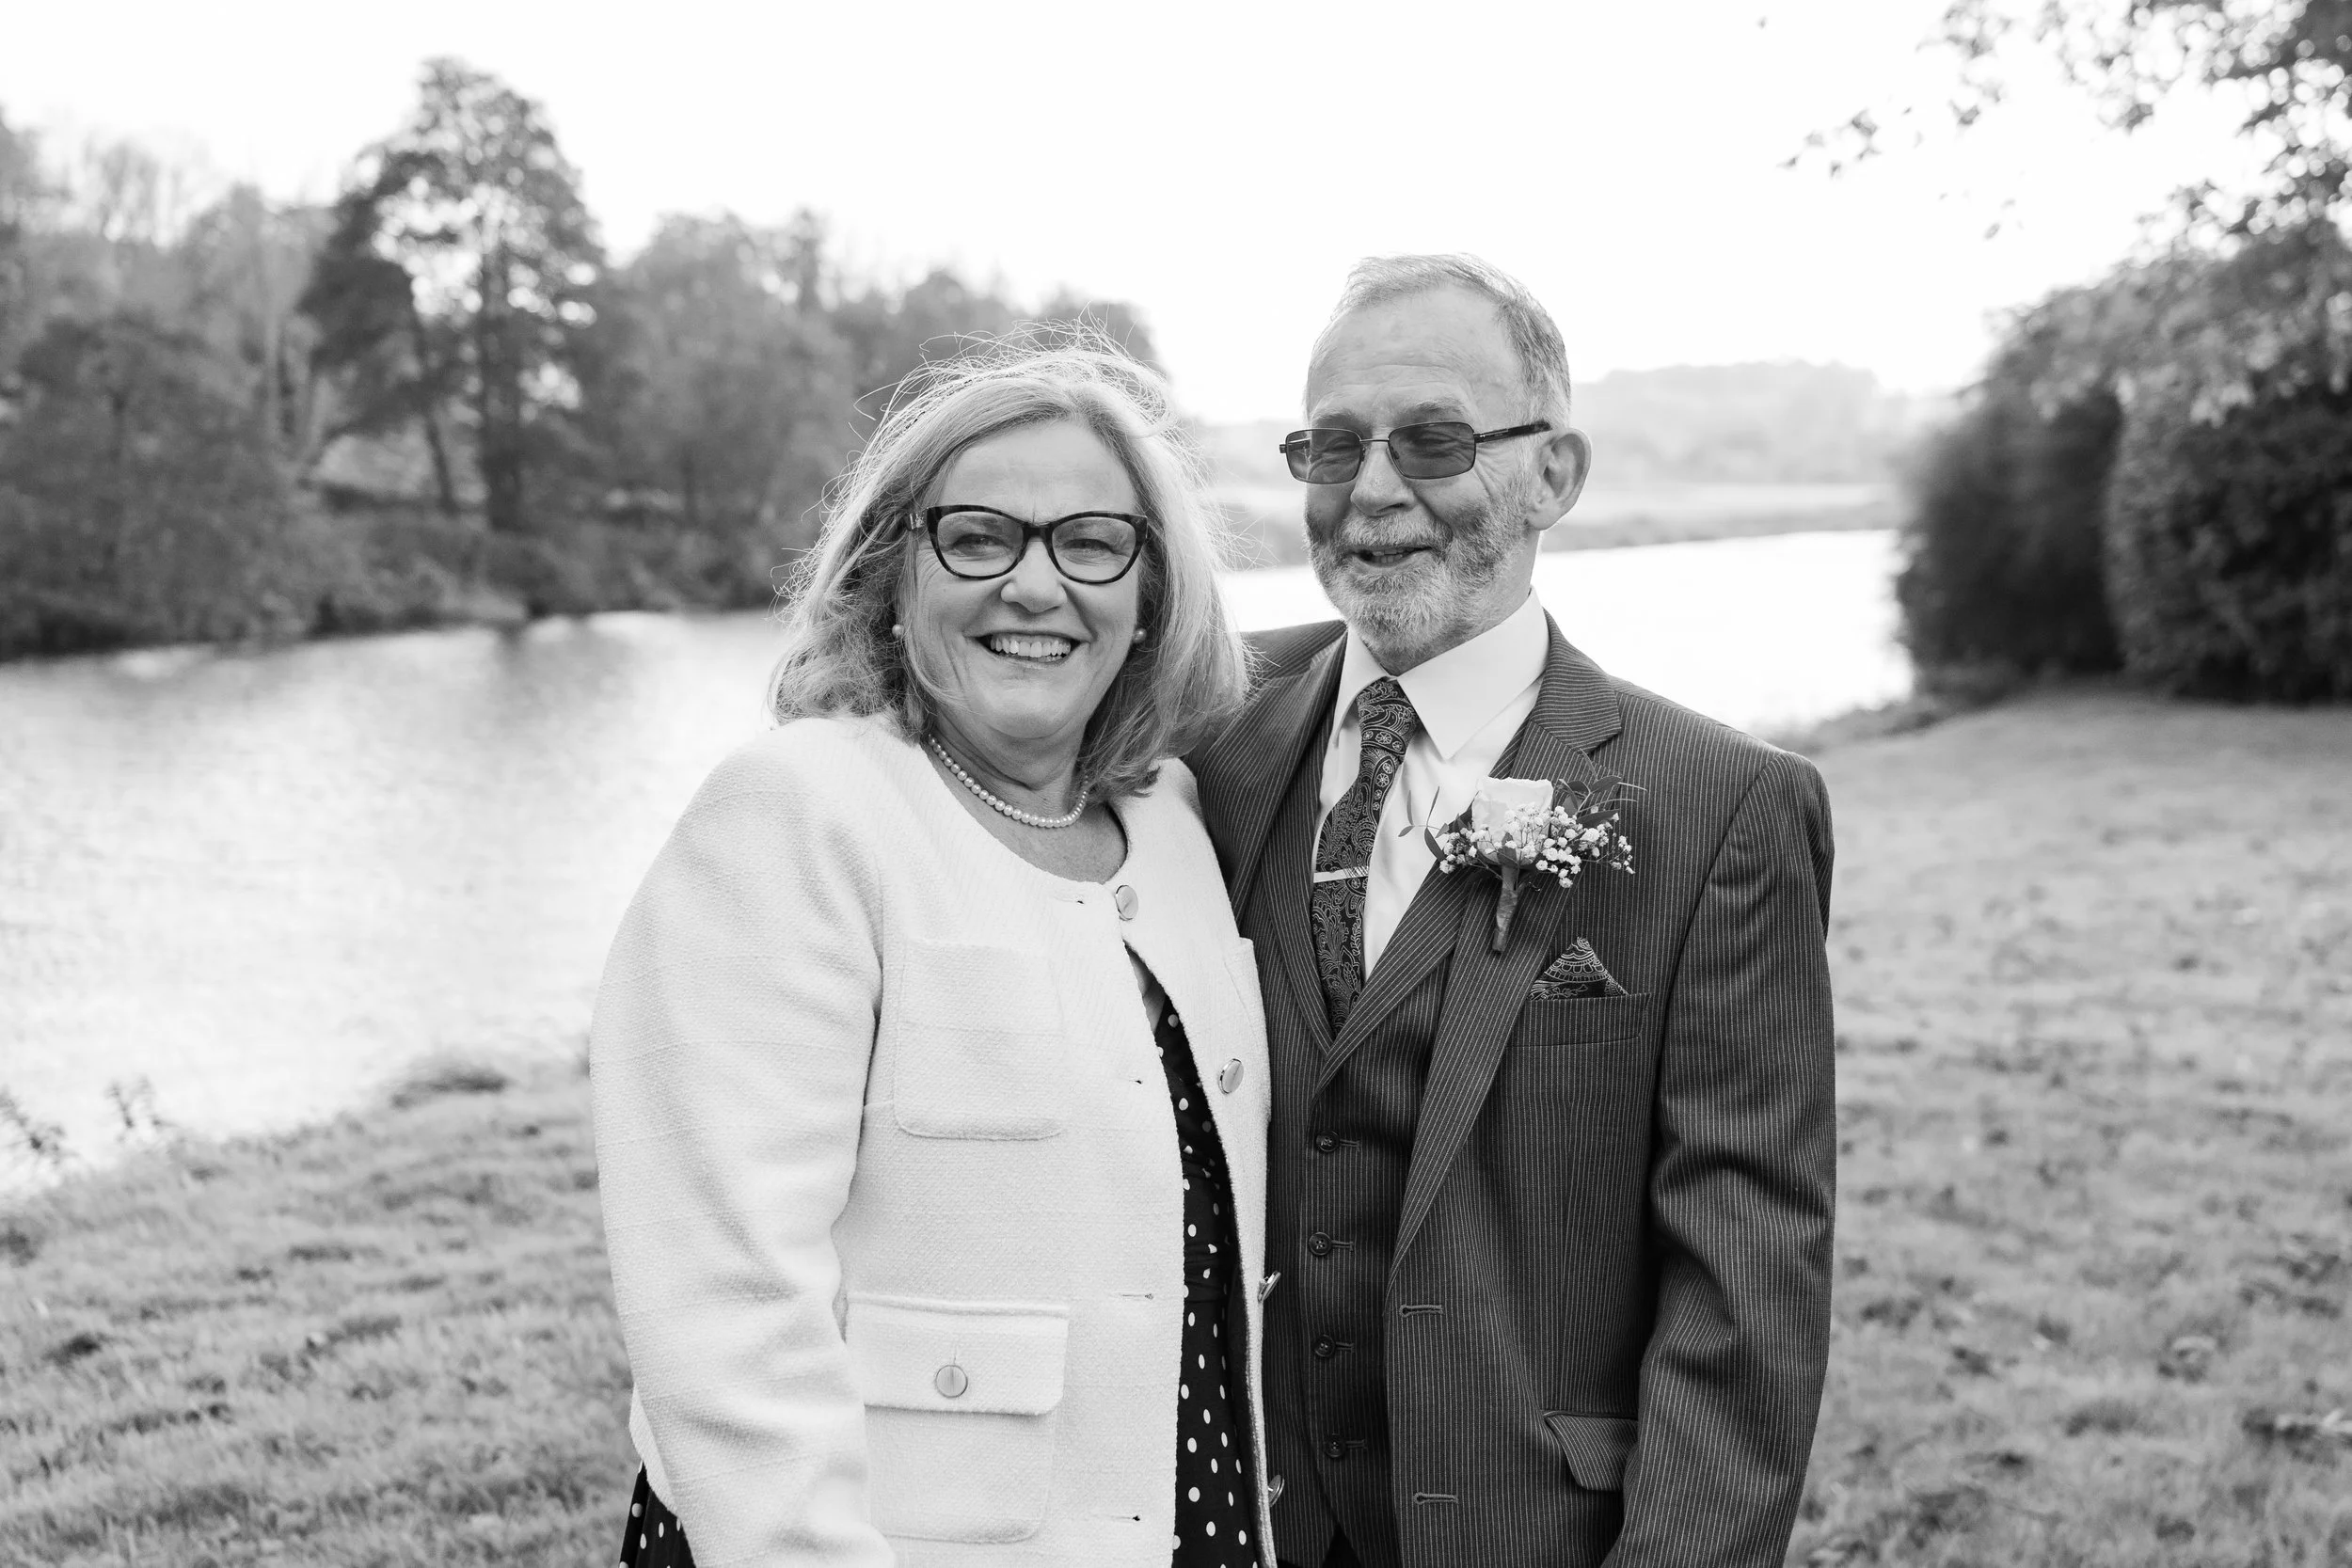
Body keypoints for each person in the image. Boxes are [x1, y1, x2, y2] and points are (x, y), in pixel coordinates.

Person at [1186, 256, 1836, 1568]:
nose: (1373, 491)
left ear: (1555, 473)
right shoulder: (1206, 737)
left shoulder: (1723, 808)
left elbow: (1745, 1281)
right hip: (1235, 1520)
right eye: (1332, 446)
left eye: (1434, 440)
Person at [590, 339, 1279, 1567]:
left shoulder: (1173, 823)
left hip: (1185, 1516)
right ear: (891, 578)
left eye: (1091, 543)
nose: (1034, 584)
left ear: (1149, 599)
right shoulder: (803, 814)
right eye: (978, 537)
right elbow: (727, 1297)